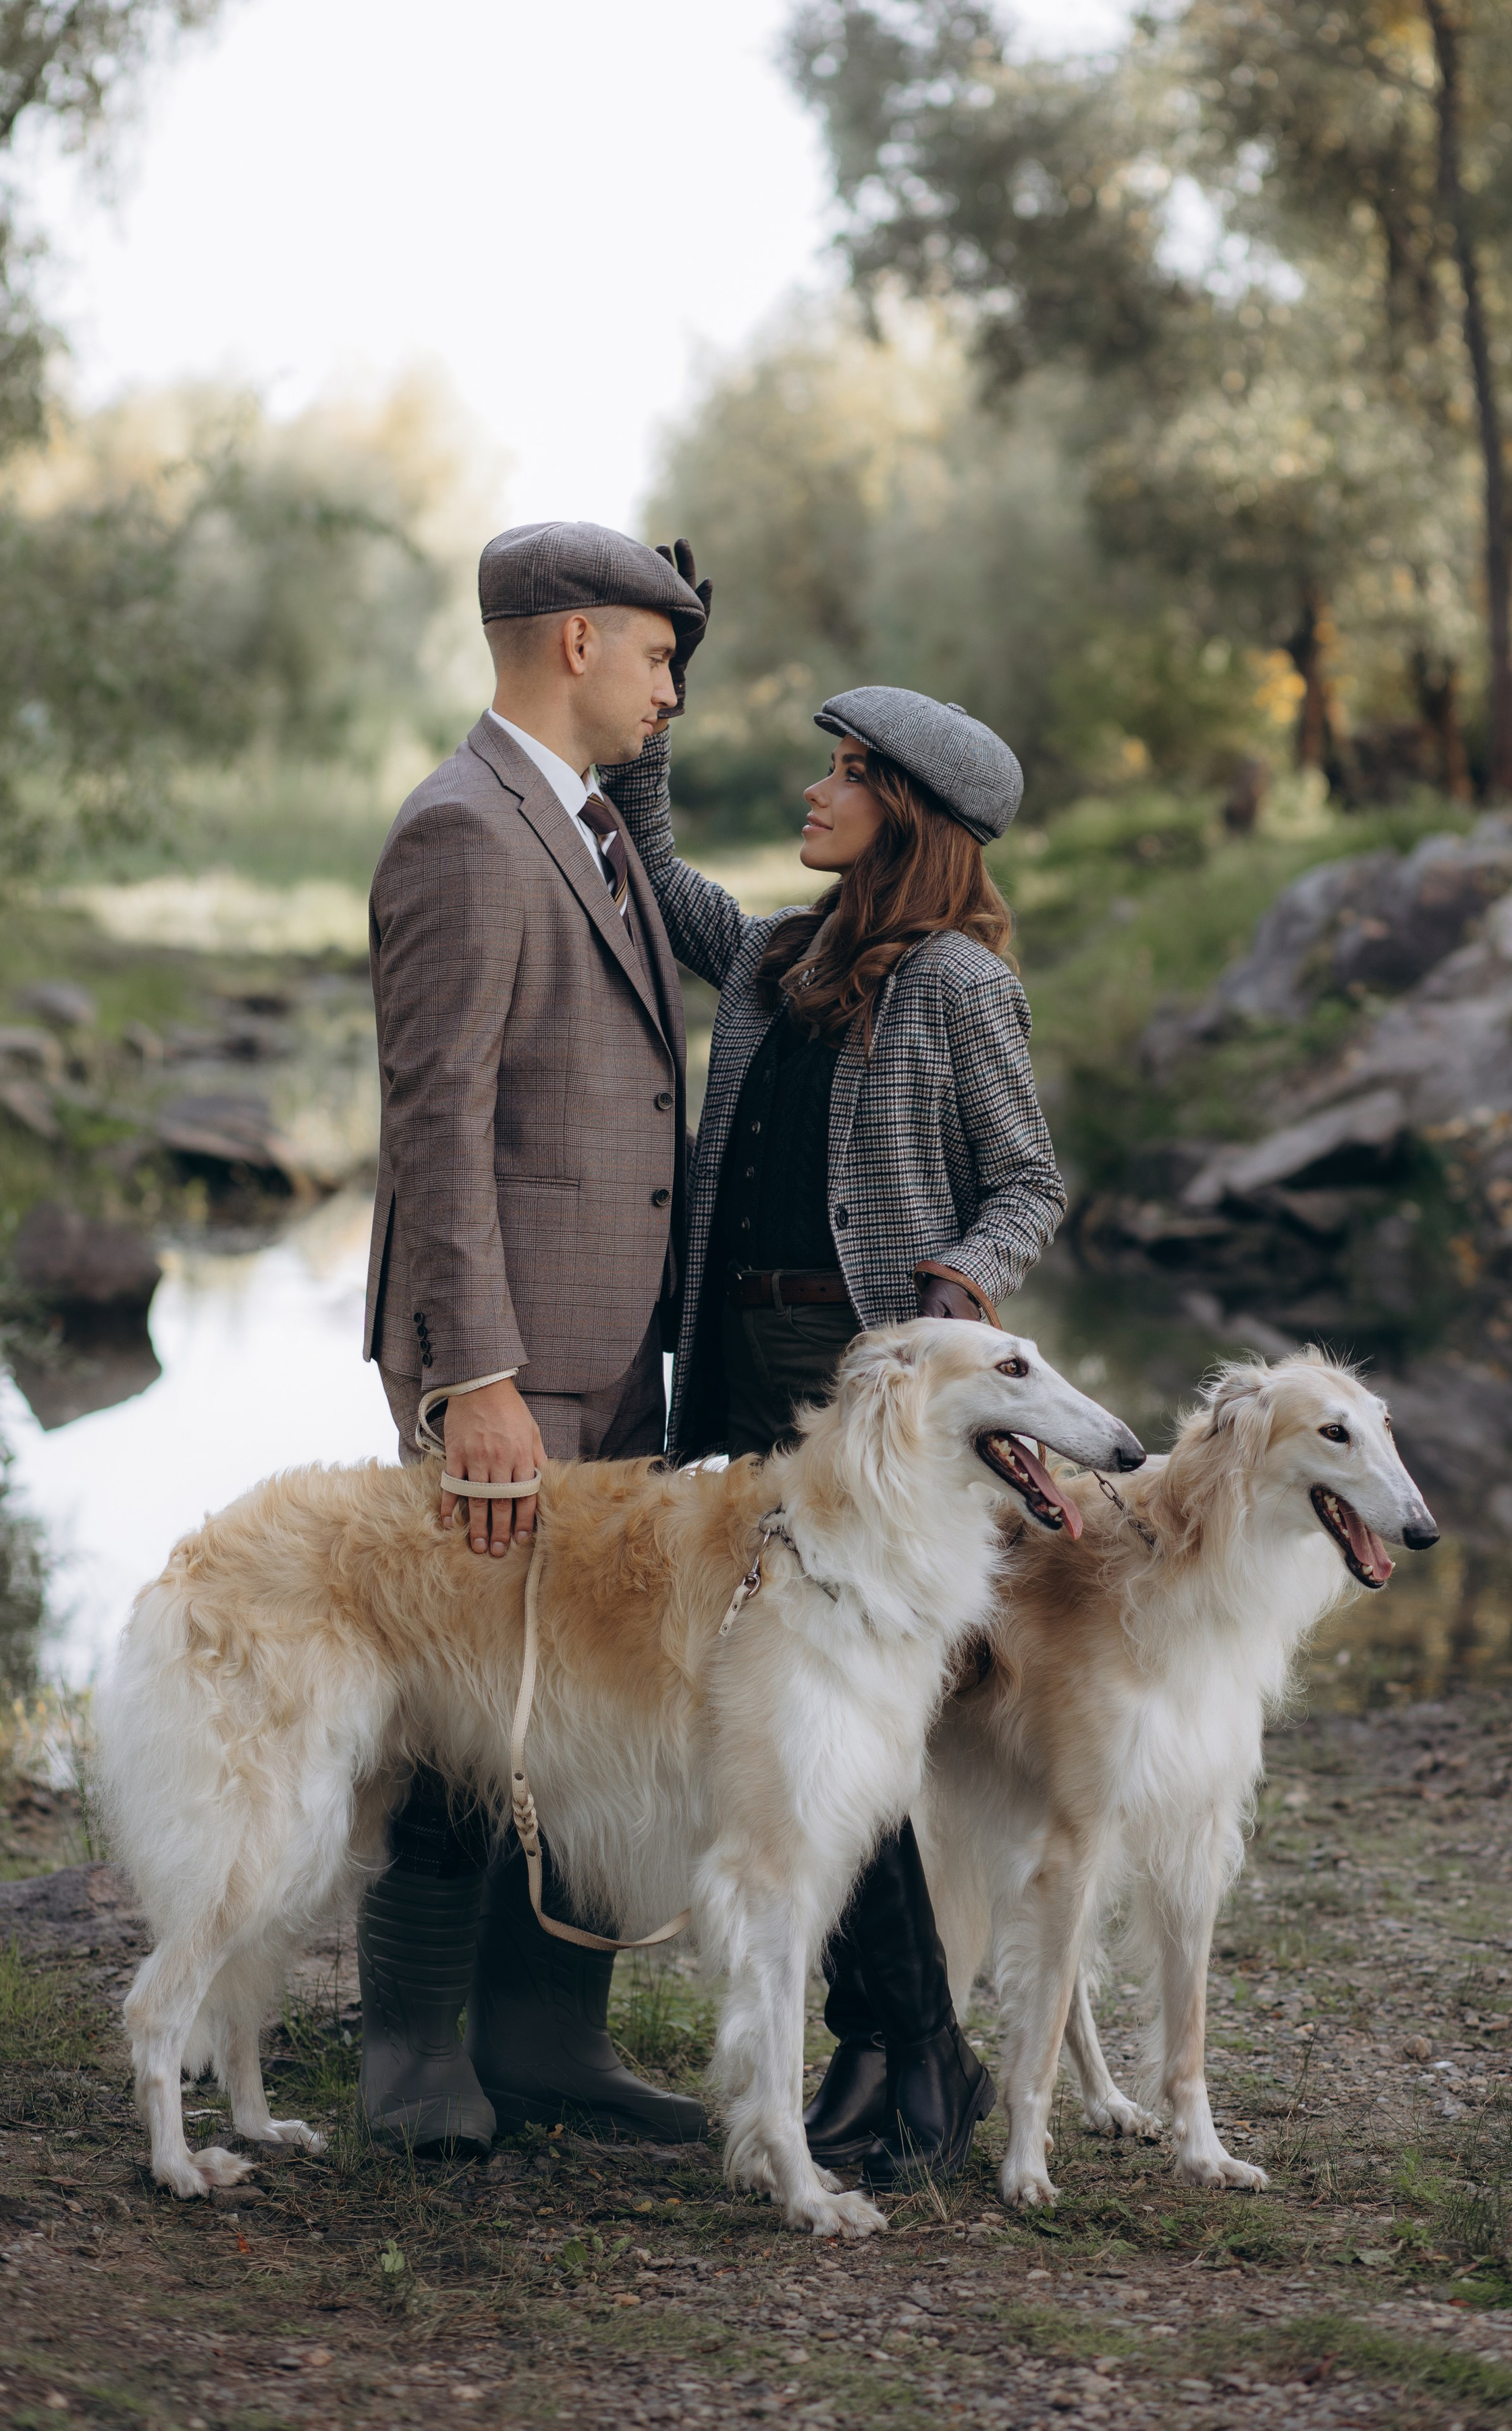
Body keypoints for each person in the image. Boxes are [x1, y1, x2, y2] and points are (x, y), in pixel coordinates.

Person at [602, 679, 1065, 2184]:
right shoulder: (780, 954)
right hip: (732, 1355)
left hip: (855, 1376)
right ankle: (901, 2052)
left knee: (841, 1723)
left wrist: (959, 1280)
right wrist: (647, 728)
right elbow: (666, 888)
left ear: (909, 817)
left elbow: (1029, 1184)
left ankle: (900, 2051)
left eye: (845, 775)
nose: (815, 795)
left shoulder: (953, 982)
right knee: (787, 1726)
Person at [358, 518, 712, 2152]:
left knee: (576, 1707)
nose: (671, 693)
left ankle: (546, 2044)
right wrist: (473, 1384)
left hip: (609, 1350)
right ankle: (413, 2057)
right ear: (574, 642)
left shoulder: (589, 828)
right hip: (509, 1368)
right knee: (463, 1706)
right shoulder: (461, 832)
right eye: (657, 655)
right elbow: (438, 1125)